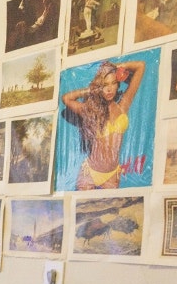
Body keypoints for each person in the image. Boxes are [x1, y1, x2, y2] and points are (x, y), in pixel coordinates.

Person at [61, 60, 146, 190]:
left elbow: (141, 66)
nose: (109, 89)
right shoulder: (90, 111)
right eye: (104, 85)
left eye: (113, 83)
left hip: (112, 173)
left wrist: (115, 68)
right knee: (82, 204)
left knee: (111, 204)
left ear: (118, 84)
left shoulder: (123, 106)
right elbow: (66, 98)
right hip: (90, 172)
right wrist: (91, 90)